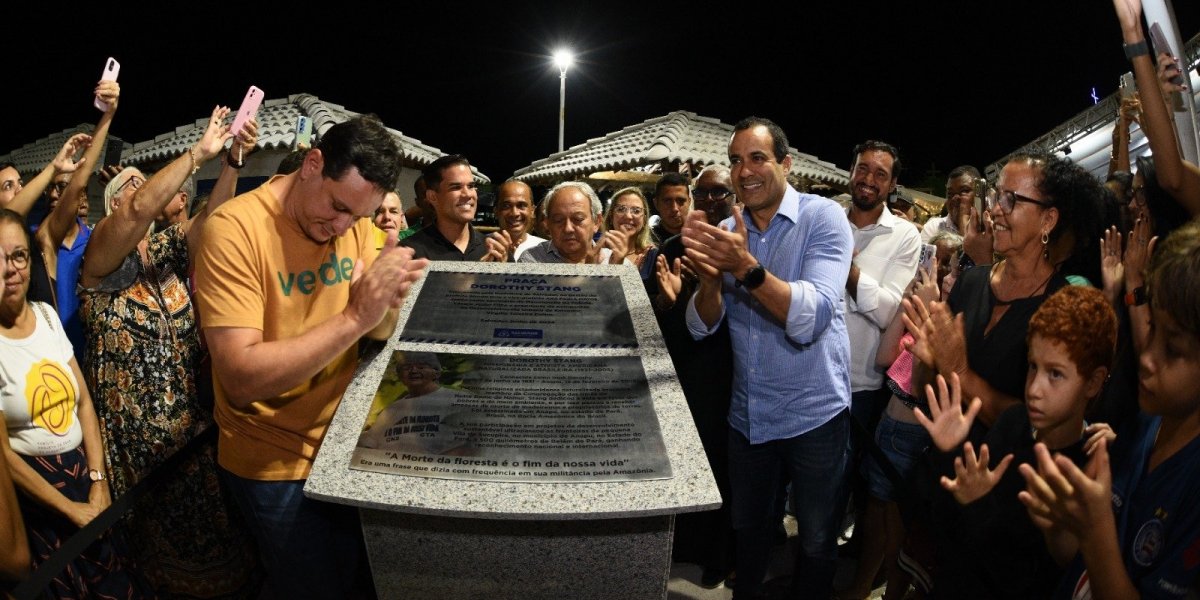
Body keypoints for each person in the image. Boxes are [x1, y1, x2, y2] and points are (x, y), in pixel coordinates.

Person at [194, 115, 428, 599]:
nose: (342, 226)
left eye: (357, 218)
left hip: (344, 449)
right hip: (272, 460)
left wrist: (385, 304)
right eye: (337, 206)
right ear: (313, 164)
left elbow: (376, 331)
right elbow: (240, 377)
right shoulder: (235, 230)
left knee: (354, 581)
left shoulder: (356, 223)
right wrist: (354, 318)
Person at [79, 107, 262, 597]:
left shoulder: (165, 254)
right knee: (154, 568)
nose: (143, 194)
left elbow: (213, 220)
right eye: (132, 187)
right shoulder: (98, 267)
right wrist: (196, 154)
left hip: (190, 436)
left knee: (218, 553)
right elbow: (137, 210)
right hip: (138, 452)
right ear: (114, 206)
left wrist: (233, 162)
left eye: (148, 184)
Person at [683, 116, 853, 598]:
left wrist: (744, 267)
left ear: (785, 163)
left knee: (817, 539)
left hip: (814, 414)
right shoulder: (726, 229)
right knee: (750, 534)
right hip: (749, 416)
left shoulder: (822, 218)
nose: (744, 170)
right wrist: (712, 283)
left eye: (757, 157)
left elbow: (811, 318)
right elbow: (702, 325)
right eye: (736, 160)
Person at [1019, 219, 1200, 599]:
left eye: (1174, 349)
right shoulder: (1145, 425)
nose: (1147, 358)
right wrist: (1059, 527)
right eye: (1151, 330)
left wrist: (1096, 527)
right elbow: (1081, 566)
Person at [913, 286, 1117, 598]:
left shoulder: (1086, 472)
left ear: (1092, 382)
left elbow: (1028, 580)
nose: (1034, 388)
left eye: (1056, 375)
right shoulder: (1013, 423)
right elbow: (948, 532)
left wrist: (979, 505)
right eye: (1033, 367)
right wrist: (949, 451)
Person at [0, 209, 148, 598]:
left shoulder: (47, 317)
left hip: (82, 474)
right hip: (39, 497)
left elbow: (84, 403)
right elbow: (3, 458)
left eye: (18, 255)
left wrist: (98, 482)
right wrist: (69, 510)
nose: (10, 268)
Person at [653, 164, 736, 588]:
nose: (708, 201)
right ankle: (680, 546)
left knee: (721, 466)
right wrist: (670, 302)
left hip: (731, 375)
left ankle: (717, 556)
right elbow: (654, 318)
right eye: (700, 194)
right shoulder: (669, 247)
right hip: (682, 372)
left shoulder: (744, 246)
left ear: (734, 195)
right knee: (682, 463)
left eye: (718, 193)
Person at [357, 352, 471, 454]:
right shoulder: (392, 409)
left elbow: (475, 441)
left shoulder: (459, 399)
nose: (414, 370)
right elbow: (370, 440)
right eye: (407, 368)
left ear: (436, 373)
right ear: (401, 376)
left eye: (421, 367)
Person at [401, 155, 510, 261]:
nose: (467, 194)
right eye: (456, 187)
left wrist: (499, 275)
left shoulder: (496, 252)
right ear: (432, 197)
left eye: (471, 186)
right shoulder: (409, 253)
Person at [519, 181, 631, 264]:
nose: (568, 228)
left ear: (597, 221)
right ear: (548, 224)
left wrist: (615, 274)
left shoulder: (616, 262)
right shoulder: (532, 260)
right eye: (558, 220)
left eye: (578, 219)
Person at [603, 186, 655, 271]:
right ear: (611, 216)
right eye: (621, 209)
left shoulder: (652, 256)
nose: (628, 216)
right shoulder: (597, 252)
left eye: (636, 211)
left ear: (644, 220)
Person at [495, 179, 544, 260]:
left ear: (532, 211)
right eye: (506, 206)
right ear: (496, 211)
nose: (514, 213)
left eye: (521, 205)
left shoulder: (545, 250)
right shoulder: (481, 247)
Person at [652, 172, 691, 244]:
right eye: (667, 201)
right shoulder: (646, 242)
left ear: (689, 202)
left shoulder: (699, 238)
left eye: (681, 201)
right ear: (656, 204)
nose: (674, 208)